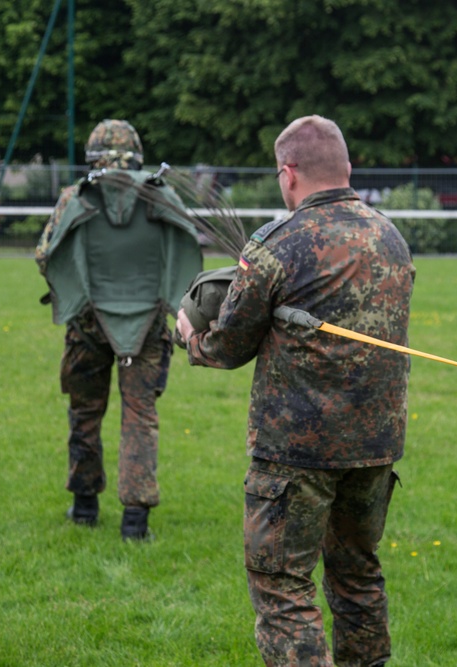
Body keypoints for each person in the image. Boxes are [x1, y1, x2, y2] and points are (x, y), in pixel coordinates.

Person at [176, 115, 415, 667]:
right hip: (374, 447)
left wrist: (192, 337)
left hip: (294, 453)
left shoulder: (277, 244)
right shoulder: (390, 236)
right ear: (346, 168)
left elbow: (230, 345)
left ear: (288, 175)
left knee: (282, 587)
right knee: (358, 574)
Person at [36, 119, 202, 540]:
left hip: (87, 325)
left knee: (85, 413)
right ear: (138, 155)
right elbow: (187, 251)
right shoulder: (163, 196)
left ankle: (85, 506)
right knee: (140, 417)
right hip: (149, 327)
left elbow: (44, 255)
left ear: (93, 155)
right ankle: (135, 521)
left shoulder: (75, 197)